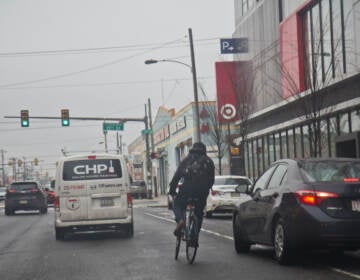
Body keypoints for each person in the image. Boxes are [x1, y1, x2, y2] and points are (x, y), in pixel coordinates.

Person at [168, 142, 215, 244]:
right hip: (202, 192)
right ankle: (194, 237)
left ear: (193, 149)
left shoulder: (188, 159)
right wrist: (207, 188)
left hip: (187, 189)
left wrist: (172, 191)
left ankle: (180, 221)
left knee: (177, 204)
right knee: (199, 213)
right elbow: (212, 179)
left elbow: (177, 176)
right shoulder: (209, 161)